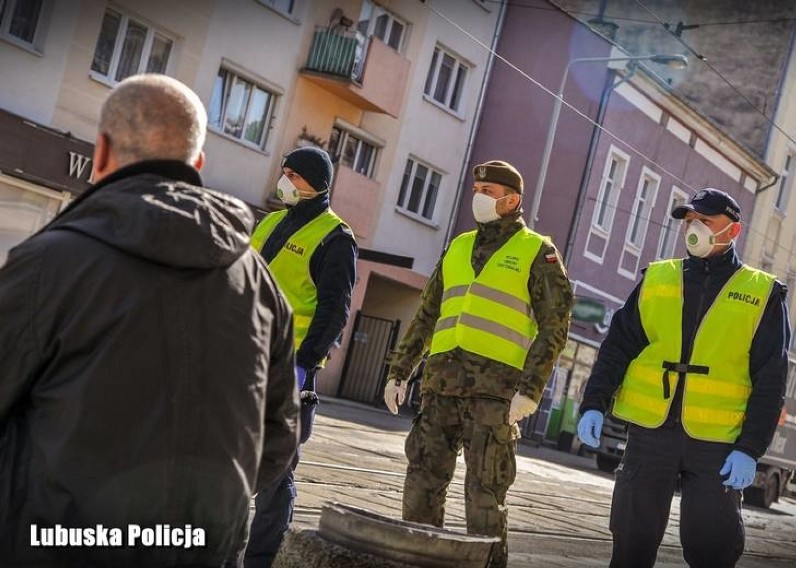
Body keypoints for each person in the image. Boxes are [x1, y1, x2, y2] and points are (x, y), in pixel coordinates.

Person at [0, 74, 301, 567]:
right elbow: (278, 438)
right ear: (197, 164)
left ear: (100, 153)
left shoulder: (49, 263)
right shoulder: (260, 284)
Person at [576, 188, 790, 568]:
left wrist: (750, 448)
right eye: (690, 221)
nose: (695, 229)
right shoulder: (658, 279)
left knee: (712, 549)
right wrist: (594, 402)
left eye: (705, 222)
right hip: (650, 436)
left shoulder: (762, 294)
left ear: (733, 231)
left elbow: (771, 379)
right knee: (630, 544)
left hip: (718, 447)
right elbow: (617, 346)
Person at [383, 160, 574, 568]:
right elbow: (427, 313)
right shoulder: (458, 246)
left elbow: (556, 325)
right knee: (421, 485)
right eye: (479, 188)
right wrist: (401, 370)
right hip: (440, 388)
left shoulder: (537, 251)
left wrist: (531, 388)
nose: (480, 197)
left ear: (512, 200)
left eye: (489, 191)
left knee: (485, 498)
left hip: (495, 396)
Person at [244, 146, 357, 567]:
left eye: (294, 174)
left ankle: (259, 560)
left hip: (286, 371)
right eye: (284, 171)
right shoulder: (271, 221)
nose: (284, 180)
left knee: (274, 476)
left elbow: (334, 310)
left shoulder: (335, 238)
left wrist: (304, 365)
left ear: (316, 181)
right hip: (241, 363)